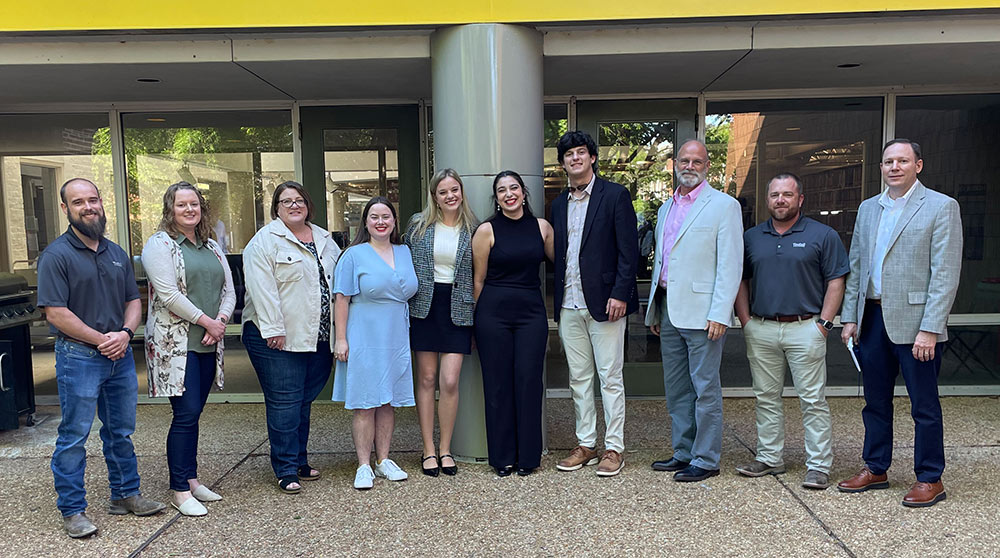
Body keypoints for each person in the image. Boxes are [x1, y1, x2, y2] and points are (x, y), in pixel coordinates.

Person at [37, 178, 165, 539]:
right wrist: (102, 340)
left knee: (120, 431)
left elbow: (134, 300)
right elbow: (56, 313)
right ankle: (73, 510)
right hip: (79, 356)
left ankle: (125, 495)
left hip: (119, 355)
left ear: (101, 203)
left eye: (92, 200)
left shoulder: (115, 252)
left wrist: (124, 334)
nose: (88, 207)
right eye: (78, 202)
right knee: (74, 435)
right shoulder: (55, 256)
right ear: (66, 209)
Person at [838, 139, 962, 508]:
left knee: (923, 405)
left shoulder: (941, 207)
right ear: (880, 167)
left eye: (903, 160)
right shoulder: (868, 208)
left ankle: (929, 477)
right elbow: (857, 265)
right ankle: (876, 467)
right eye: (888, 161)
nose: (895, 166)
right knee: (875, 401)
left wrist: (930, 328)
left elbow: (945, 273)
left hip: (917, 323)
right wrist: (850, 317)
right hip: (872, 318)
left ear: (918, 165)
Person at [733, 173, 849, 490]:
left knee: (812, 400)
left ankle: (818, 466)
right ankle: (770, 458)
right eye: (774, 195)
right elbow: (740, 279)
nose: (780, 200)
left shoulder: (822, 235)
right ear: (767, 199)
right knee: (766, 398)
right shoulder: (752, 237)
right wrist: (745, 321)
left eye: (787, 194)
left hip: (806, 328)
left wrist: (824, 324)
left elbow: (836, 281)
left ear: (800, 199)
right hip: (762, 328)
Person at [645, 140, 743, 482]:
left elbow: (730, 265)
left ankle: (706, 458)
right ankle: (683, 451)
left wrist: (720, 313)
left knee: (705, 388)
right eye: (684, 160)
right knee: (677, 389)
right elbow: (663, 261)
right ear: (675, 163)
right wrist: (656, 310)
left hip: (704, 315)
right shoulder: (665, 208)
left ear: (707, 166)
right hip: (669, 310)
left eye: (696, 161)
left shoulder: (723, 206)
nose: (689, 165)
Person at [142, 181, 236, 516]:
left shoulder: (210, 245)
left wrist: (221, 320)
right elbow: (168, 295)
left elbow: (230, 289)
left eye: (194, 204)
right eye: (182, 205)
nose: (189, 210)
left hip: (208, 343)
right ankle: (180, 490)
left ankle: (192, 479)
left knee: (194, 415)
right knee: (185, 414)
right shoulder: (160, 245)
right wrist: (208, 322)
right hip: (176, 345)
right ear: (170, 208)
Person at [549, 131, 639, 477]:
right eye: (569, 154)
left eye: (581, 152)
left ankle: (614, 447)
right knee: (579, 378)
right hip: (569, 303)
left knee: (610, 377)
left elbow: (628, 252)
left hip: (606, 303)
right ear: (563, 163)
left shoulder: (615, 196)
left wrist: (620, 293)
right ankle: (586, 443)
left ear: (592, 158)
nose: (575, 158)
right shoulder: (559, 204)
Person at [242, 181, 341, 494]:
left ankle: (299, 459)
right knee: (285, 401)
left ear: (308, 204)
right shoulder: (264, 242)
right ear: (276, 208)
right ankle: (285, 469)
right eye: (286, 202)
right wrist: (273, 329)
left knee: (303, 400)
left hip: (318, 335)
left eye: (299, 200)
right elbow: (262, 289)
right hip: (276, 337)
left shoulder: (325, 239)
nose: (294, 205)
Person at [472, 171, 555, 477]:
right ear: (496, 198)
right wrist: (475, 324)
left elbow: (562, 266)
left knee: (529, 381)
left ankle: (529, 457)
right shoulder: (486, 231)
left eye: (514, 188)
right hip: (493, 315)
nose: (509, 194)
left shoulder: (543, 228)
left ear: (523, 193)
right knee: (497, 385)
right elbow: (477, 281)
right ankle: (502, 457)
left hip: (532, 315)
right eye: (502, 190)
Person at [333, 196, 419, 490]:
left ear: (394, 221)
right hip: (364, 335)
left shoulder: (405, 252)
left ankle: (383, 460)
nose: (380, 222)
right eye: (374, 217)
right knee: (365, 402)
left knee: (388, 400)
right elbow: (341, 299)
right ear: (365, 223)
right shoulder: (353, 255)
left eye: (386, 216)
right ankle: (363, 465)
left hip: (395, 334)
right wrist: (341, 339)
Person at [404, 169, 478, 477]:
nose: (450, 196)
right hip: (424, 306)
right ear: (434, 196)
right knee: (426, 379)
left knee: (449, 381)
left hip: (458, 308)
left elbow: (479, 274)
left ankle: (445, 448)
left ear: (461, 192)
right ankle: (428, 449)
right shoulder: (418, 225)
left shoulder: (474, 228)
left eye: (454, 190)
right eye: (443, 191)